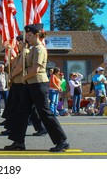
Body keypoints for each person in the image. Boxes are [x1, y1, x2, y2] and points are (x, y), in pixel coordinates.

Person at [5, 23, 69, 152]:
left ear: (36, 35)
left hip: (38, 84)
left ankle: (62, 141)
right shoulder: (33, 49)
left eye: (29, 35)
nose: (27, 38)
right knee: (21, 113)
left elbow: (36, 69)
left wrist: (24, 78)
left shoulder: (39, 49)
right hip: (30, 84)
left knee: (45, 113)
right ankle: (18, 142)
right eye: (26, 35)